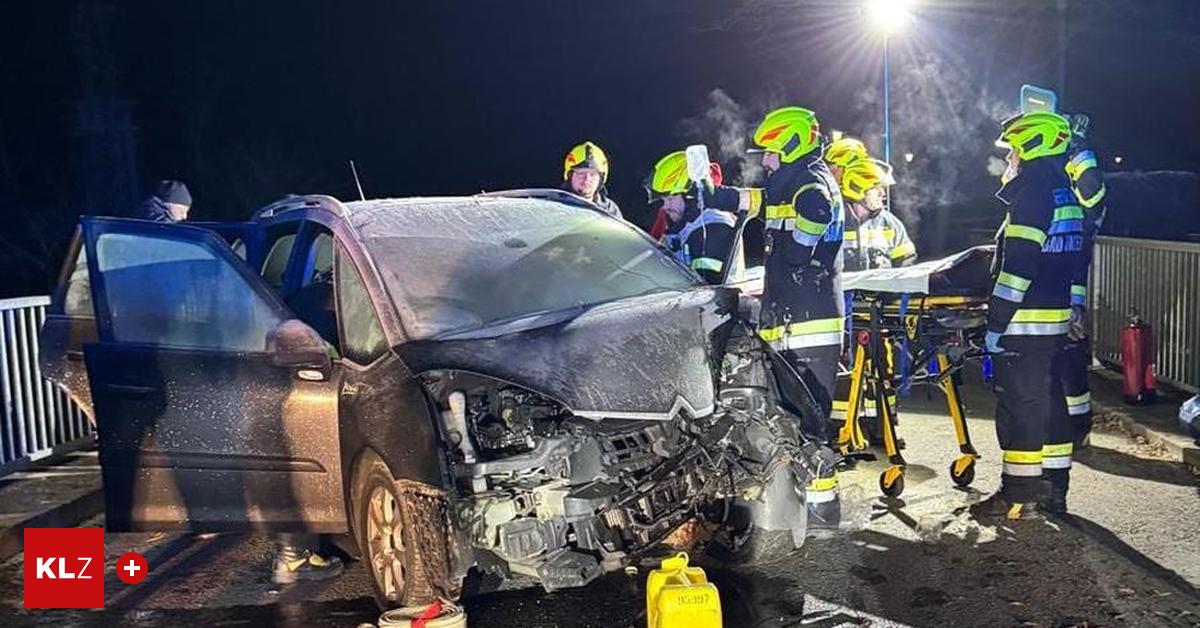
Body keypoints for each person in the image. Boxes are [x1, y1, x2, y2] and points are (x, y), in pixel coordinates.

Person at [708, 106, 846, 529]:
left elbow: (817, 214)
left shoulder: (811, 184)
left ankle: (823, 514)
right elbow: (750, 200)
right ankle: (806, 507)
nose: (764, 161)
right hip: (790, 320)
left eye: (769, 154)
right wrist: (710, 193)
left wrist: (797, 252)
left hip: (807, 323)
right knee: (794, 418)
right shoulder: (788, 185)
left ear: (789, 147)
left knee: (810, 422)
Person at [977, 111, 1084, 520]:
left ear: (1032, 148)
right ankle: (1053, 491)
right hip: (1053, 319)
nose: (1009, 162)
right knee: (1051, 403)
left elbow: (1018, 266)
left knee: (1021, 405)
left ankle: (1018, 496)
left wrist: (996, 323)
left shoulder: (1033, 195)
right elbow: (1076, 262)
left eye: (1014, 152)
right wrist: (1075, 309)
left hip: (1025, 320)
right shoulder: (1064, 192)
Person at [1061, 120, 1107, 450]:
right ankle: (1072, 428)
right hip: (1060, 285)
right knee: (1062, 363)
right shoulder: (1061, 185)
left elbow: (1092, 194)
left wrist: (1078, 153)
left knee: (1070, 360)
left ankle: (1078, 430)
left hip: (1069, 288)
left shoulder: (1082, 181)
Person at [645, 150, 736, 284]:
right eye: (664, 200)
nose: (665, 207)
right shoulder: (686, 227)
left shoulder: (712, 229)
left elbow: (705, 290)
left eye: (670, 199)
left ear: (692, 198)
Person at [840, 159, 917, 272]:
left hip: (881, 290)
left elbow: (906, 261)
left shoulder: (890, 223)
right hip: (844, 290)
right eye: (877, 189)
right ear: (857, 188)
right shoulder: (832, 222)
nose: (883, 194)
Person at [562, 141, 622, 218]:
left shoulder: (610, 210)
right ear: (570, 176)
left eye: (593, 174)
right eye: (581, 173)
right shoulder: (554, 205)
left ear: (601, 179)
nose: (587, 178)